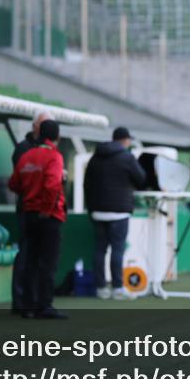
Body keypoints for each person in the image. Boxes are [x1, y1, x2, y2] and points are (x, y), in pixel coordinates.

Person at [9, 119, 67, 319]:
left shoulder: (26, 156)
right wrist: (47, 209)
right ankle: (45, 305)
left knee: (30, 261)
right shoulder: (55, 157)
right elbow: (52, 186)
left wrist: (30, 195)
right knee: (48, 262)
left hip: (28, 214)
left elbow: (14, 183)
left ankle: (28, 306)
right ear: (57, 137)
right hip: (49, 216)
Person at [84, 126, 147, 300]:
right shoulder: (127, 157)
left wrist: (91, 209)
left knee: (99, 250)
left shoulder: (95, 157)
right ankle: (118, 288)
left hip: (97, 211)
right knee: (117, 251)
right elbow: (141, 179)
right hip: (119, 212)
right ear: (125, 140)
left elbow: (86, 184)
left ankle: (100, 288)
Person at [10, 112, 52, 315]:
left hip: (41, 210)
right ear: (35, 126)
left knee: (37, 256)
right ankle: (21, 301)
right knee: (27, 254)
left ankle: (33, 301)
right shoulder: (24, 150)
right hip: (29, 210)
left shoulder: (39, 150)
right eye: (43, 125)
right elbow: (17, 182)